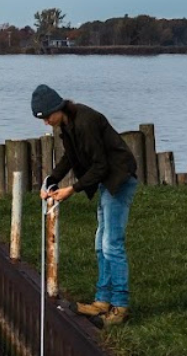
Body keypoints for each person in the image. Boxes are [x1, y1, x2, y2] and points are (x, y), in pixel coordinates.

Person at [32, 84, 139, 327]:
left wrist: (72, 189)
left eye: (47, 117)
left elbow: (100, 166)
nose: (46, 123)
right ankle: (102, 301)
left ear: (57, 108)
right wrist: (51, 180)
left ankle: (120, 307)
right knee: (100, 243)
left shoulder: (86, 121)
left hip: (119, 179)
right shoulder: (68, 125)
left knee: (112, 244)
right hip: (106, 181)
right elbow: (70, 157)